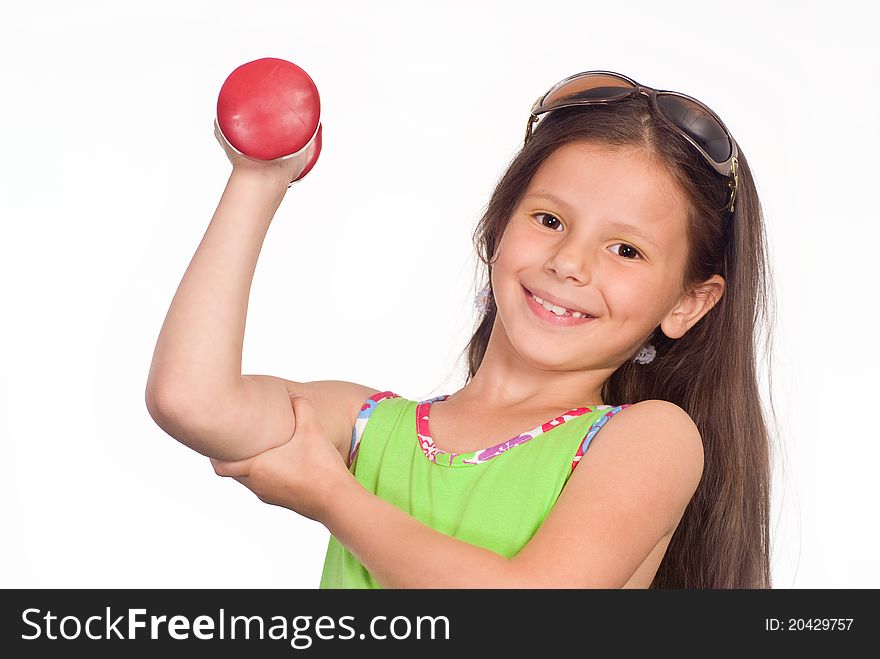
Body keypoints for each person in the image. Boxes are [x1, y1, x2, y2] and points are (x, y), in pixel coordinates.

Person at [146, 70, 775, 589]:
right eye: (550, 220)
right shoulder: (370, 425)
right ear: (498, 228)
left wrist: (333, 499)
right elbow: (192, 399)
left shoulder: (651, 440)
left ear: (689, 303)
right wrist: (261, 176)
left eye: (626, 251)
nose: (569, 263)